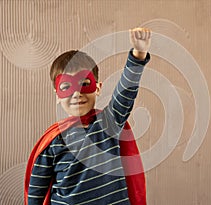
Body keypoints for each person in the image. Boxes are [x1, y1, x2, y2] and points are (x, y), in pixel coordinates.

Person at [24, 28, 151, 205]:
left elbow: (125, 93)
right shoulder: (54, 141)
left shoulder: (109, 123)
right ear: (57, 96)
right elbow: (36, 191)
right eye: (66, 86)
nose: (76, 93)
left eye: (84, 83)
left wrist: (137, 56)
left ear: (98, 88)